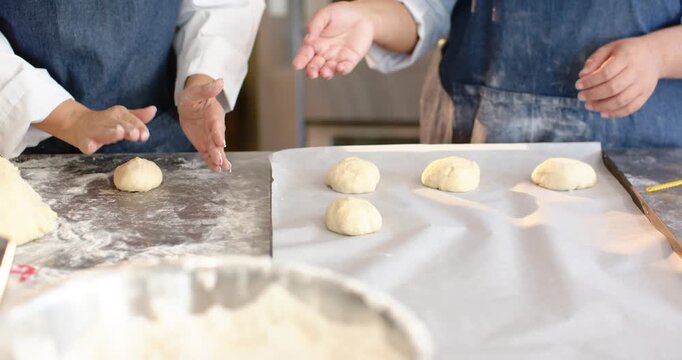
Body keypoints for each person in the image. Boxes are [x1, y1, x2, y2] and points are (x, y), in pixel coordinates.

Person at [293, 0, 682, 149]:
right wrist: (370, 17)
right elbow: (423, 7)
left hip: (636, 153)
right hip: (476, 145)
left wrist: (659, 55)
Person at [0, 0, 265, 171]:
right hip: (21, 154)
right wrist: (68, 117)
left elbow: (225, 6)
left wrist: (202, 79)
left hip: (161, 142)